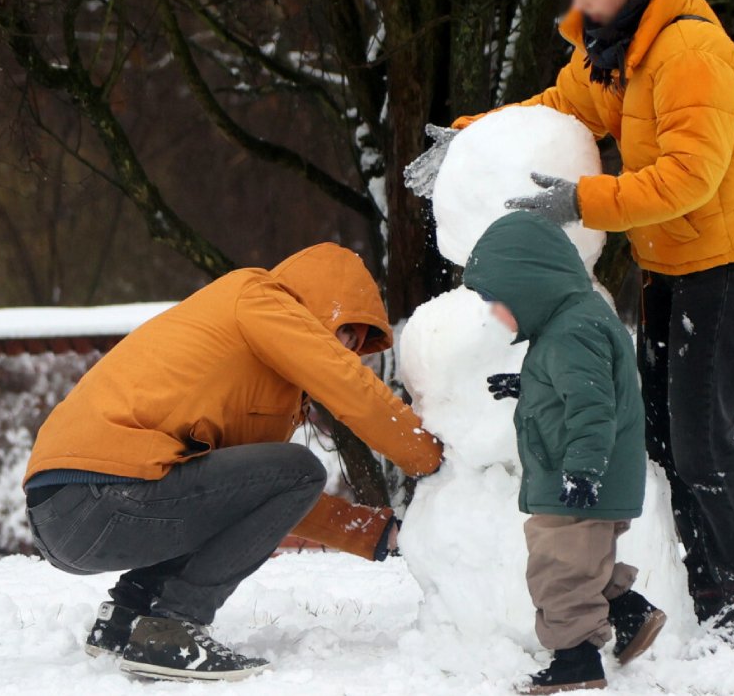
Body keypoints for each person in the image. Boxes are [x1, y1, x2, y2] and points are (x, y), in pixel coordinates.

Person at [454, 0, 734, 649]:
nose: (578, 3)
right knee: (665, 437)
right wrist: (472, 138)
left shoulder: (687, 53)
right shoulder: (610, 41)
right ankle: (701, 582)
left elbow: (689, 177)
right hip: (669, 257)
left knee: (704, 441)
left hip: (727, 262)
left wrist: (581, 199)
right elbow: (561, 109)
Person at [23, 243, 443, 682]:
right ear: (320, 303)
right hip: (100, 495)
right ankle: (175, 625)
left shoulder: (254, 376)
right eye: (344, 333)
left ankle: (127, 617)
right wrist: (432, 457)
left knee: (272, 476)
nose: (346, 351)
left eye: (355, 345)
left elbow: (248, 501)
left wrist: (376, 534)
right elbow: (349, 389)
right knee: (302, 468)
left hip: (66, 508)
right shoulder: (259, 298)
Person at [463, 211, 665, 694]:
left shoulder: (573, 330)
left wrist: (582, 471)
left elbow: (593, 407)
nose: (494, 312)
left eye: (497, 301)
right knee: (581, 563)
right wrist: (530, 384)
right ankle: (630, 613)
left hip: (577, 478)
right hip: (583, 475)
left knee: (558, 569)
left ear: (530, 286)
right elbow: (577, 389)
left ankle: (576, 661)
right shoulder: (572, 323)